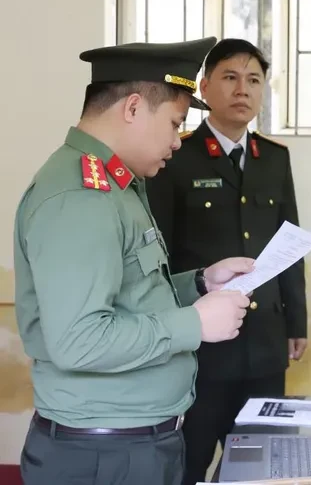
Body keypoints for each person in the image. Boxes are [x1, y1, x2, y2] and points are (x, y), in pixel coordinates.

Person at [13, 36, 257, 485]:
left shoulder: (117, 185)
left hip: (129, 445)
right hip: (103, 456)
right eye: (174, 123)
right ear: (131, 108)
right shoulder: (81, 198)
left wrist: (201, 283)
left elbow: (128, 293)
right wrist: (194, 324)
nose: (178, 141)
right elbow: (79, 340)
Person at [145, 38, 308, 484]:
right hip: (201, 348)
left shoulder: (274, 159)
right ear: (204, 86)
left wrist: (297, 322)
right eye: (230, 78)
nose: (243, 89)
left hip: (266, 344)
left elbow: (288, 245)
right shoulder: (175, 156)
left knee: (264, 463)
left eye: (254, 80)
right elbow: (158, 252)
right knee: (191, 460)